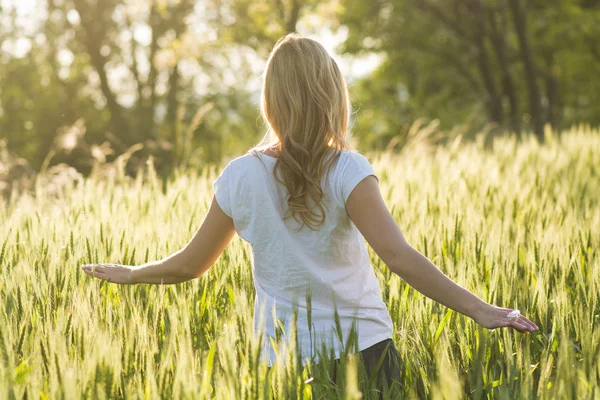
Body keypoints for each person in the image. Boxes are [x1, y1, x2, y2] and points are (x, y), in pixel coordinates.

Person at [82, 33, 539, 393]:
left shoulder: (240, 175)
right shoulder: (347, 168)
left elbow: (189, 264)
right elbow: (398, 257)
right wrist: (481, 310)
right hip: (366, 352)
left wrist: (133, 273)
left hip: (284, 364)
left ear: (270, 100)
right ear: (331, 93)